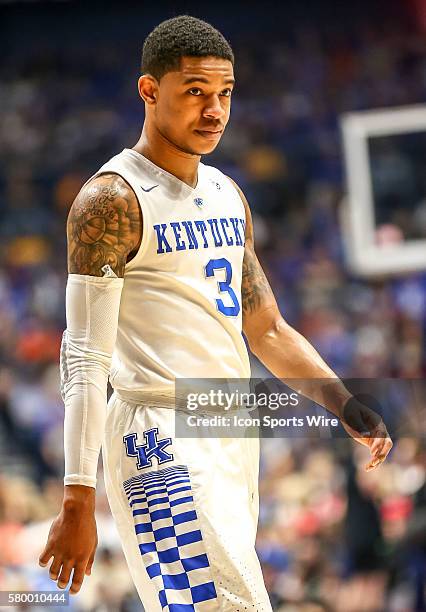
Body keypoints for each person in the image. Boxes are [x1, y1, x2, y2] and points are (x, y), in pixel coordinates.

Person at [38, 15, 393, 611]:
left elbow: (268, 328)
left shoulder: (227, 194)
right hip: (158, 432)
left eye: (224, 94)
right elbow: (85, 357)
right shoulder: (113, 200)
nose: (215, 111)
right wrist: (77, 497)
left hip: (228, 423)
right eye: (195, 93)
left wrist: (340, 401)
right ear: (148, 91)